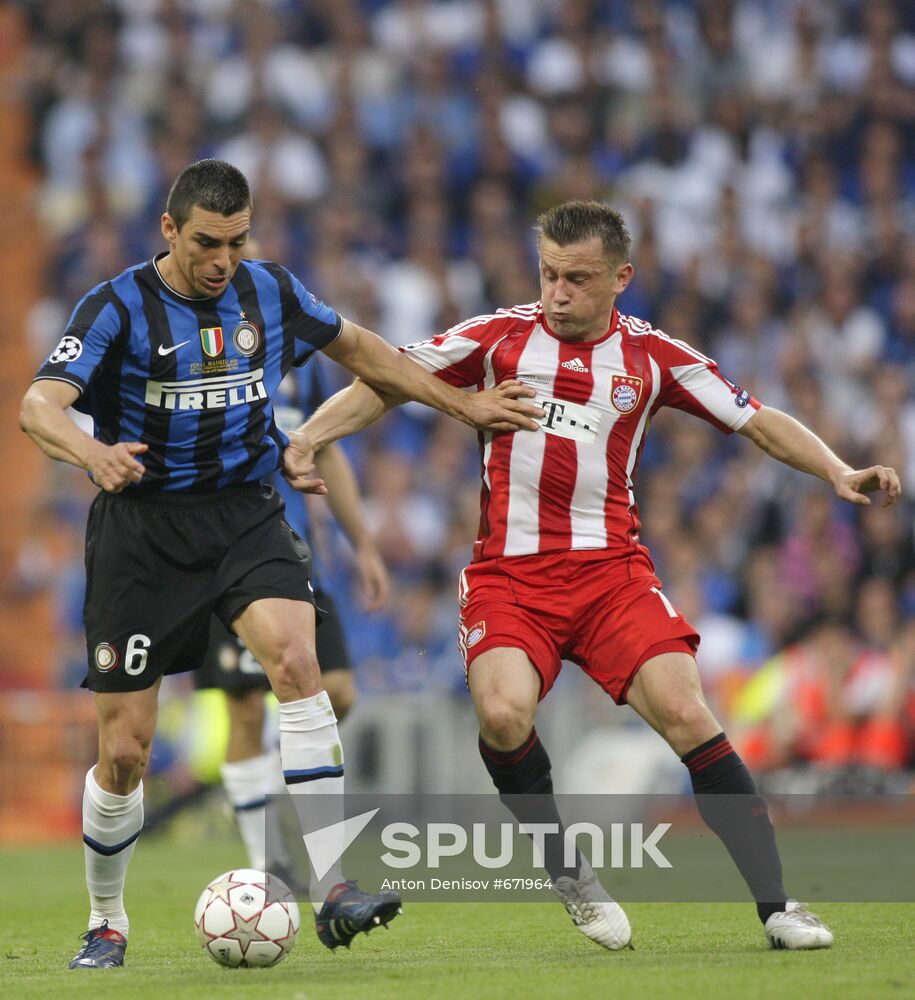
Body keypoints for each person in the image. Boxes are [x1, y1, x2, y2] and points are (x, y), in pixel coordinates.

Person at [297, 199, 902, 952]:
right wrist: (308, 436)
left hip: (611, 576)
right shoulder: (496, 337)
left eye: (577, 279)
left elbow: (755, 418)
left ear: (621, 278)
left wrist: (836, 470)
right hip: (510, 578)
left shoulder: (652, 357)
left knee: (688, 714)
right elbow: (383, 378)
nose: (557, 293)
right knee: (503, 714)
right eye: (548, 274)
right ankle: (568, 873)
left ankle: (779, 906)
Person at [19, 159, 540, 970]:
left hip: (243, 514)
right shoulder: (116, 306)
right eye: (206, 243)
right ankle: (106, 922)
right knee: (124, 751)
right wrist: (93, 454)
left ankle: (333, 887)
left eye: (236, 241)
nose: (222, 260)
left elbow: (368, 352)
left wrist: (465, 403)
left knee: (299, 665)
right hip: (142, 531)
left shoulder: (272, 292)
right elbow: (37, 405)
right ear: (169, 230)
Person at [198, 355, 388, 890]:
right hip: (225, 556)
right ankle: (269, 864)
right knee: (244, 707)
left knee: (338, 692)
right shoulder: (204, 348)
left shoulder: (302, 361)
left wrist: (362, 542)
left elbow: (326, 449)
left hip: (297, 555)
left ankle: (277, 780)